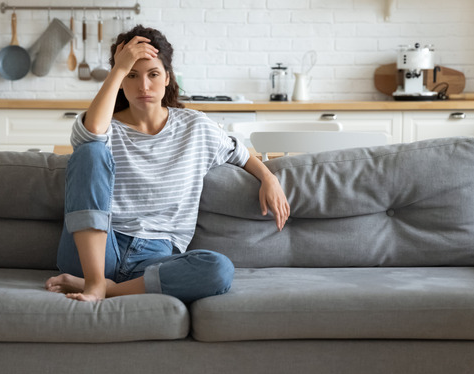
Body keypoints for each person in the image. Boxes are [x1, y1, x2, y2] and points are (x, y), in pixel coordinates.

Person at [45, 25, 290, 303]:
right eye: (132, 75)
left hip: (154, 258)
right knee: (89, 151)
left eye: (153, 74)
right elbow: (91, 135)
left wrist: (269, 178)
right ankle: (94, 280)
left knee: (219, 268)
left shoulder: (195, 127)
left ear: (167, 78)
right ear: (121, 80)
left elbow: (241, 154)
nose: (143, 86)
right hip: (96, 248)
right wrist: (119, 67)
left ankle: (104, 288)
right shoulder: (105, 127)